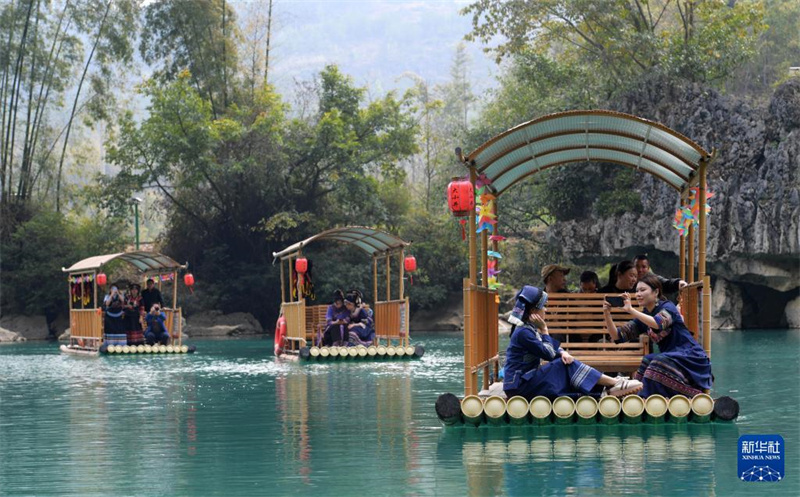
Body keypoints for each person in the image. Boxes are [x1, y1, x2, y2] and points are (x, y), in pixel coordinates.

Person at [503, 286, 643, 400]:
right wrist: (544, 329)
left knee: (564, 363)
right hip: (519, 387)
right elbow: (548, 354)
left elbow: (549, 348)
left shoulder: (528, 329)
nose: (546, 310)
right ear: (533, 311)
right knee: (561, 365)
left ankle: (609, 386)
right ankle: (613, 383)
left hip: (525, 381)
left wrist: (563, 352)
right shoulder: (524, 333)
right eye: (543, 306)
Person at [602, 273, 712, 398]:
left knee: (657, 362)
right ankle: (636, 397)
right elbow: (617, 336)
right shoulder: (644, 316)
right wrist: (607, 314)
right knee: (647, 360)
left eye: (643, 290)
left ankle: (691, 394)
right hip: (671, 359)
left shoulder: (668, 307)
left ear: (656, 292)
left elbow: (657, 324)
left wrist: (631, 310)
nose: (638, 294)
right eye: (637, 291)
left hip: (689, 357)